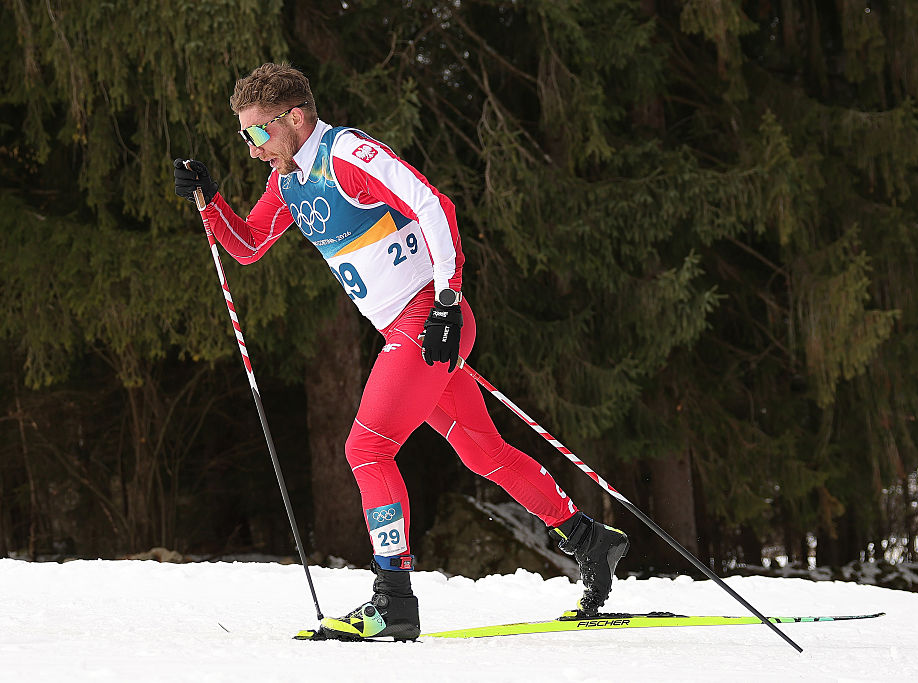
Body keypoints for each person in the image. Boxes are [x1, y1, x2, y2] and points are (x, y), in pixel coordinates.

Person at [172, 62, 628, 642]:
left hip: (428, 319)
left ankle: (393, 598)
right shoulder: (288, 180)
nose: (254, 148)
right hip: (403, 330)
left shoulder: (348, 157)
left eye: (259, 132)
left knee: (366, 448)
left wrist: (446, 298)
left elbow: (435, 207)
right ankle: (588, 537)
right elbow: (249, 246)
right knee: (482, 451)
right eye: (245, 136)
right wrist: (210, 199)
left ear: (294, 117)